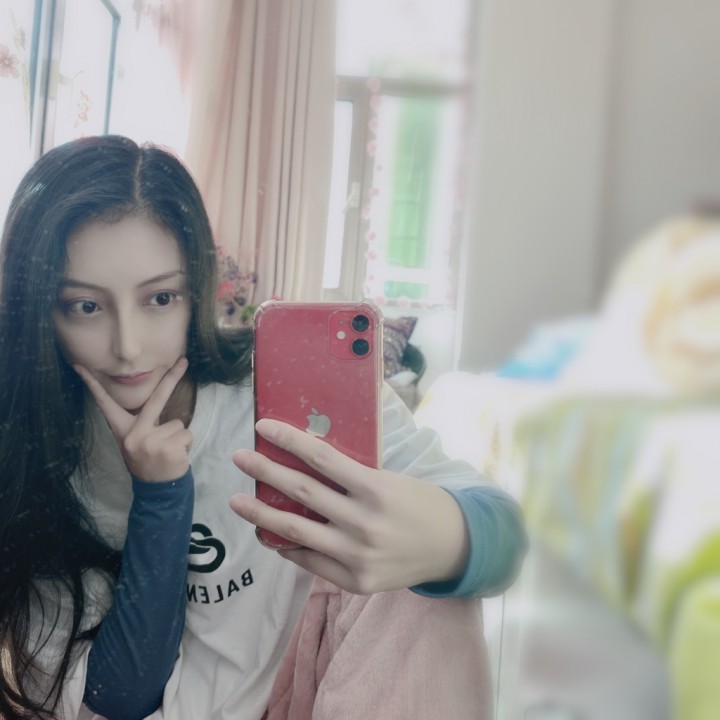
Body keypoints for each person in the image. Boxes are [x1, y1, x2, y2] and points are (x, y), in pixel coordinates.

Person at [0, 135, 527, 720]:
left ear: (195, 290)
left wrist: (445, 541)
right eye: (85, 307)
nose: (128, 347)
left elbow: (504, 532)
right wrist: (160, 493)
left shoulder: (277, 385)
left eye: (160, 298)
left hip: (315, 686)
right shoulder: (34, 452)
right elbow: (120, 697)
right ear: (41, 311)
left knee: (424, 577)